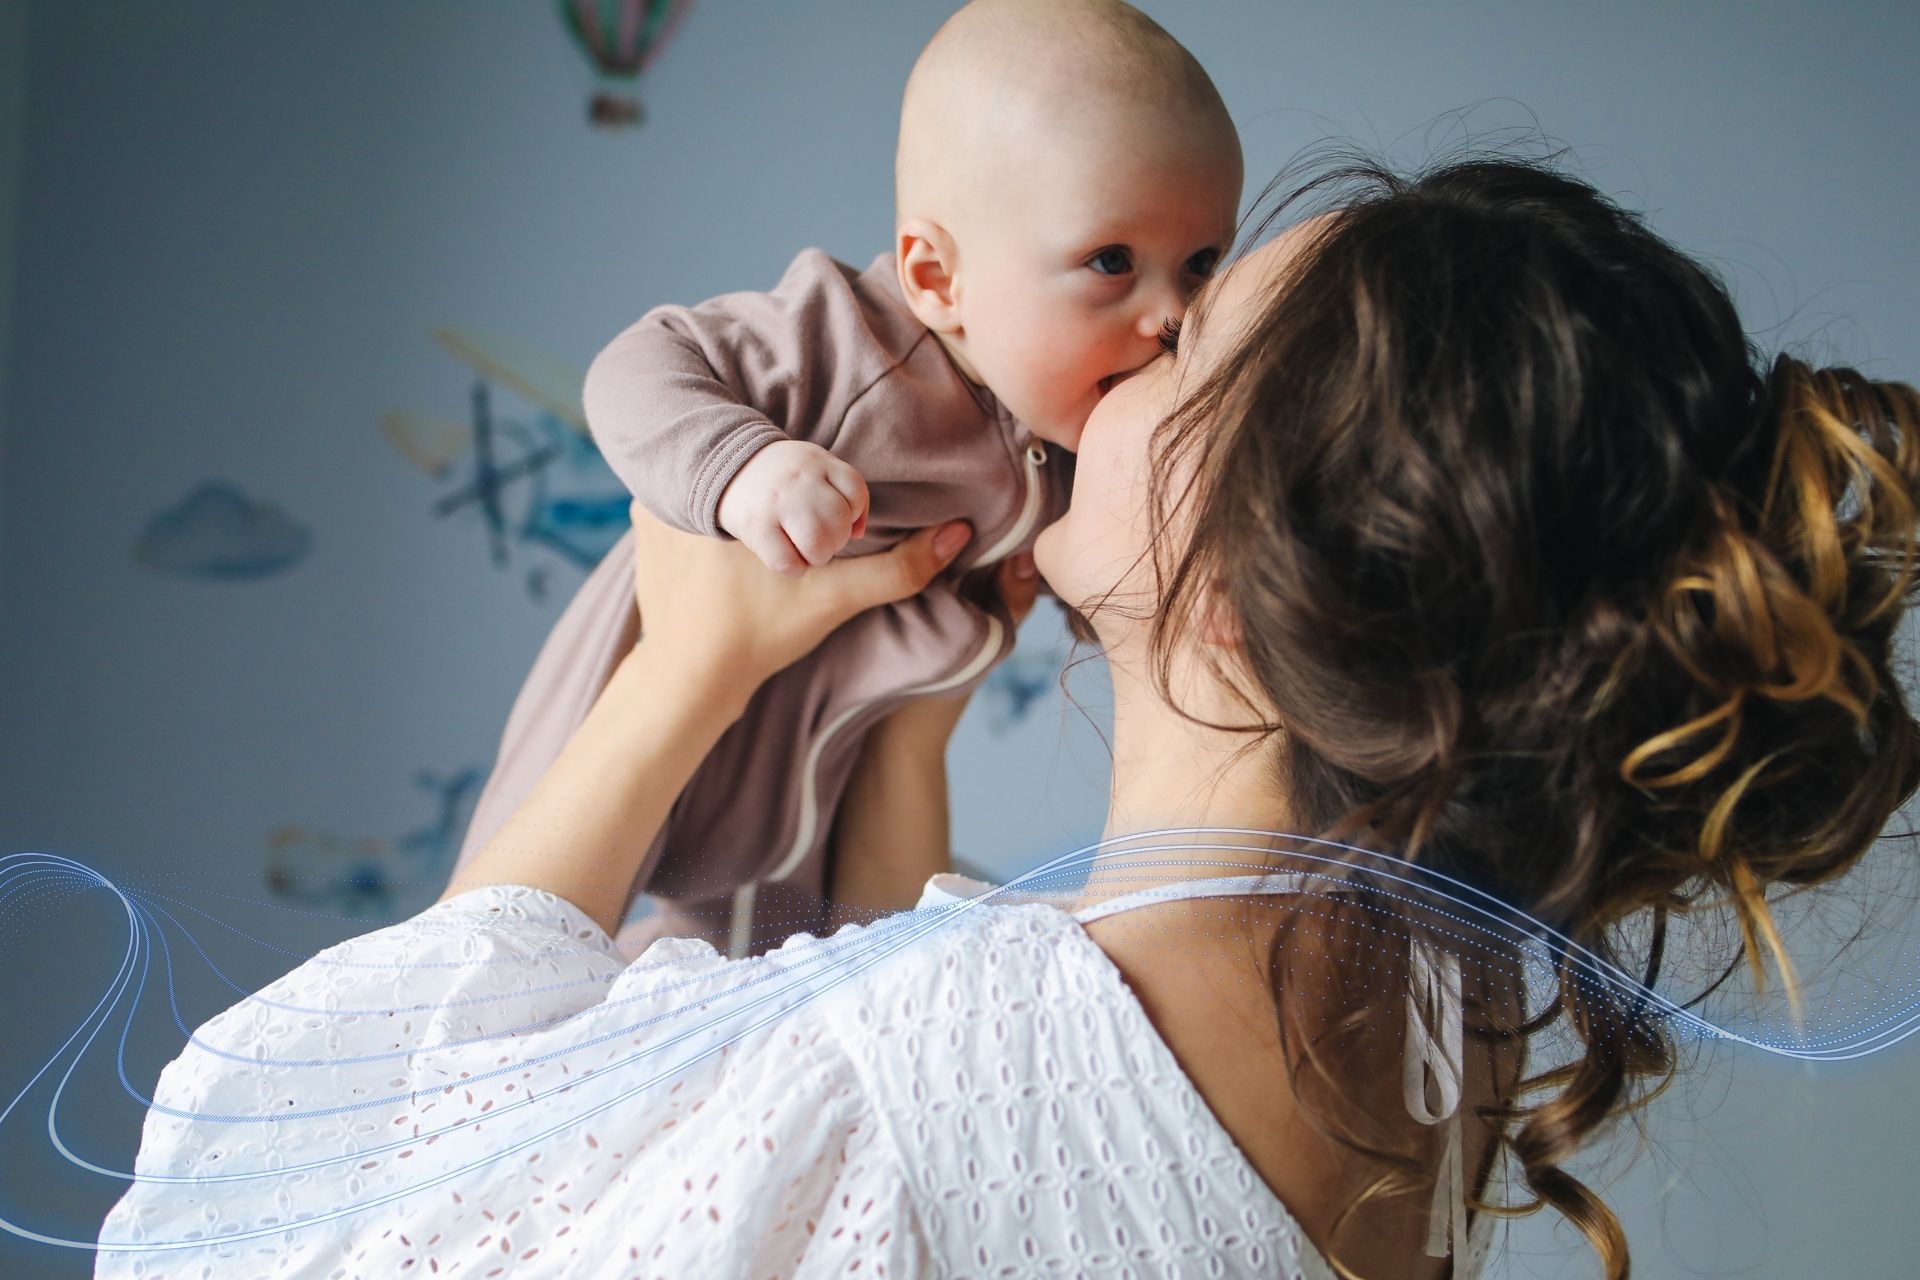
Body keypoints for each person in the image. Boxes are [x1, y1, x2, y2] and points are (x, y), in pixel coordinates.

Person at [94, 153, 1920, 1280]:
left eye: (1189, 347)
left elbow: (269, 1207)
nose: (1124, 350)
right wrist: (906, 727)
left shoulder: (902, 1080)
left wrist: (684, 665)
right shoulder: (1434, 1015)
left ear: (1230, 585)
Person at [448, 0, 1243, 961]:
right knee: (509, 946)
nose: (1170, 315)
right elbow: (638, 364)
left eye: (1201, 265)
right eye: (1112, 262)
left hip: (823, 765)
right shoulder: (847, 345)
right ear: (936, 278)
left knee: (770, 972)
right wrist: (743, 466)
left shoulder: (1076, 427)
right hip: (659, 685)